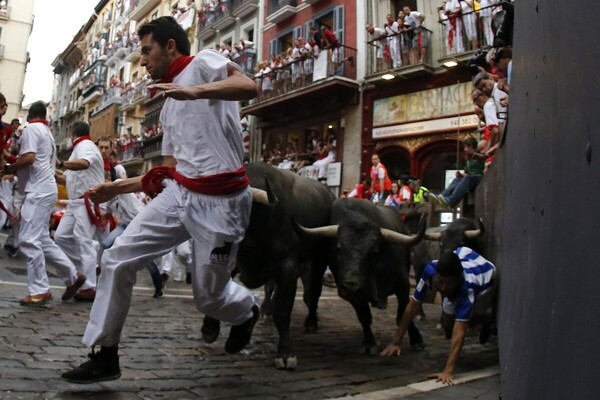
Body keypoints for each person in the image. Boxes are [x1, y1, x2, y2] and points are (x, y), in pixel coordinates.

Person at [62, 16, 259, 384]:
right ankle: (105, 354)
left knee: (209, 299)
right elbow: (169, 169)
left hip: (222, 205)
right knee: (117, 257)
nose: (143, 60)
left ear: (170, 47)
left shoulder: (203, 64)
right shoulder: (167, 106)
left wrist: (197, 91)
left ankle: (246, 312)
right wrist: (115, 188)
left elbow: (248, 85)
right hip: (180, 195)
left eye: (147, 50)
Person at [3, 102, 86, 306]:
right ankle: (73, 276)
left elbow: (29, 158)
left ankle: (40, 289)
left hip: (38, 190)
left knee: (29, 240)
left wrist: (8, 168)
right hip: (45, 188)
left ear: (29, 117)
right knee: (42, 239)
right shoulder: (47, 133)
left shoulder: (31, 129)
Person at [381, 248, 496, 384]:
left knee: (471, 318)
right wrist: (396, 341)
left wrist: (448, 371)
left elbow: (460, 331)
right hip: (463, 256)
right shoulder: (430, 270)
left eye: (449, 283)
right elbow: (413, 306)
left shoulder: (468, 287)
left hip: (486, 281)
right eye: (440, 282)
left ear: (458, 279)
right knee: (448, 327)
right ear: (436, 275)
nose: (443, 288)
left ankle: (486, 320)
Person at [54, 121, 106, 302]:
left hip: (87, 201)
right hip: (75, 203)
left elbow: (84, 164)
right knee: (61, 237)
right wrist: (50, 170)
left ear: (72, 135)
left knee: (83, 241)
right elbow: (64, 179)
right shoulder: (77, 151)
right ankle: (91, 266)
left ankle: (90, 286)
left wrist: (61, 162)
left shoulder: (86, 146)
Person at [430, 138, 486, 210]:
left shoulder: (479, 153)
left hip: (479, 178)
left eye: (466, 147)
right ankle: (442, 197)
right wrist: (461, 175)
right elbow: (466, 173)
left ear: (471, 147)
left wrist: (476, 155)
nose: (464, 150)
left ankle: (452, 200)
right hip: (471, 179)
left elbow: (483, 157)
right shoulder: (468, 159)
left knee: (467, 178)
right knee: (458, 179)